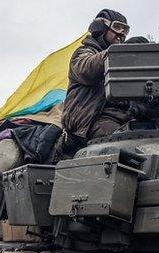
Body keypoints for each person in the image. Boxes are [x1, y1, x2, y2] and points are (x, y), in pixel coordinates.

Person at [61, 9, 132, 153]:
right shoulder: (82, 53)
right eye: (117, 27)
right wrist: (116, 53)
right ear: (101, 28)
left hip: (122, 118)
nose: (121, 34)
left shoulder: (123, 61)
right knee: (122, 145)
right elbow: (87, 69)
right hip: (90, 121)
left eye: (125, 31)